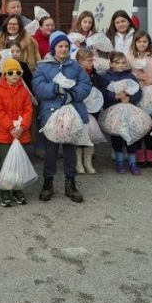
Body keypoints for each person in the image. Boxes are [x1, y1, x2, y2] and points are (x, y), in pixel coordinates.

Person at [33, 31, 91, 203]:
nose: (64, 49)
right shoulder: (43, 66)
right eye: (60, 46)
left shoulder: (75, 66)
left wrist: (73, 95)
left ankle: (70, 183)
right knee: (50, 150)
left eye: (66, 46)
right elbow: (38, 87)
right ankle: (48, 183)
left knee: (70, 149)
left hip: (71, 113)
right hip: (51, 114)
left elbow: (86, 84)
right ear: (53, 48)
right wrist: (55, 89)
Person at [0, 58, 33, 206]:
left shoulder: (24, 90)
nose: (14, 75)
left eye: (17, 72)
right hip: (4, 135)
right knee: (5, 164)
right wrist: (10, 127)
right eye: (10, 72)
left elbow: (29, 110)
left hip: (20, 133)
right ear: (4, 75)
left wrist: (22, 127)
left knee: (18, 164)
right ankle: (5, 191)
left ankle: (17, 189)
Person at [99, 51, 144, 175]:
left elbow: (138, 92)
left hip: (129, 110)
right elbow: (104, 94)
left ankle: (132, 162)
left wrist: (130, 98)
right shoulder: (105, 77)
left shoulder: (130, 77)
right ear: (111, 64)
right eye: (117, 63)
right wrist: (116, 96)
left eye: (123, 63)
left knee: (131, 135)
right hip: (114, 112)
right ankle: (119, 161)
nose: (121, 65)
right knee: (117, 136)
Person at [126, 30, 152, 167]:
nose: (142, 44)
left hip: (151, 94)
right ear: (135, 43)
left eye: (145, 41)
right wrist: (137, 77)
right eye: (139, 41)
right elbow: (125, 72)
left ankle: (150, 151)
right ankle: (139, 153)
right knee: (138, 123)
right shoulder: (129, 58)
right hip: (137, 93)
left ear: (149, 43)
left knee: (150, 123)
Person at [74, 48, 100, 174]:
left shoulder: (94, 75)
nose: (91, 62)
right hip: (78, 109)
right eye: (89, 60)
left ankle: (88, 162)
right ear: (80, 61)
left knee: (90, 136)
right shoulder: (74, 74)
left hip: (92, 110)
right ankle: (78, 162)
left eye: (92, 60)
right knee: (79, 136)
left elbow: (100, 89)